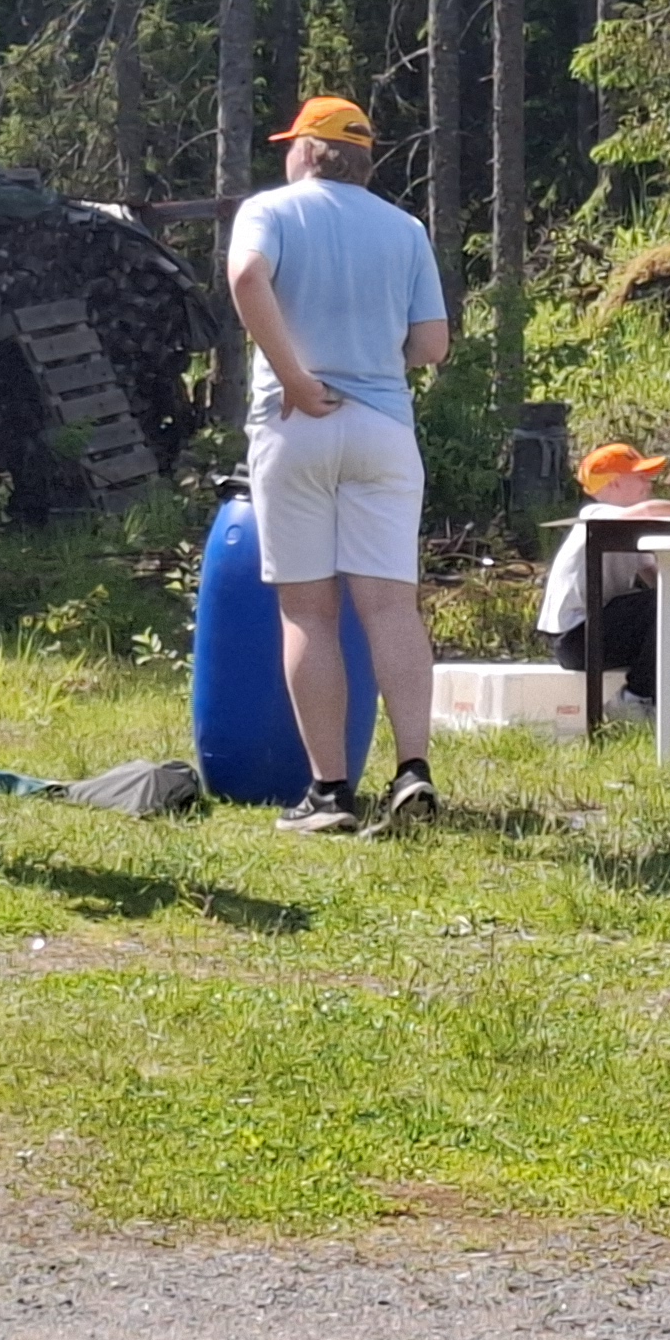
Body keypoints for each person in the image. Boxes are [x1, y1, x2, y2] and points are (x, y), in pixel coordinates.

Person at [225, 95, 452, 837]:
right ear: (362, 159)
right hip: (384, 427)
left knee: (307, 610)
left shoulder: (272, 208)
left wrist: (293, 375)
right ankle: (412, 769)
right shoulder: (405, 227)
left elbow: (247, 280)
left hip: (298, 423)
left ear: (305, 151)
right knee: (390, 607)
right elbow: (432, 346)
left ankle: (329, 793)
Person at [537, 443, 670, 723]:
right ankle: (634, 700)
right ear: (615, 484)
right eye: (640, 477)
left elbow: (662, 582)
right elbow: (645, 513)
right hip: (574, 638)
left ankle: (653, 700)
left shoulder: (629, 530)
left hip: (601, 630)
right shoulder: (596, 516)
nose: (649, 484)